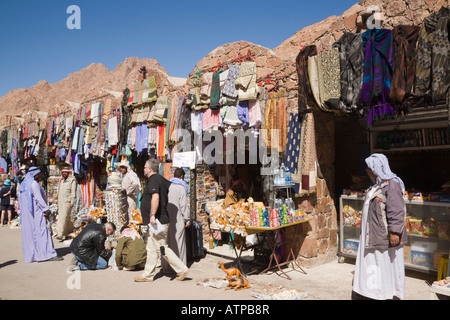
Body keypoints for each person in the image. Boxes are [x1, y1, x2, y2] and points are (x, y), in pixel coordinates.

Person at [352, 153, 407, 300]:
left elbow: (396, 209)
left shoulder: (392, 184)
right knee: (375, 265)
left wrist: (395, 232)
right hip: (374, 234)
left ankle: (387, 293)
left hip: (384, 236)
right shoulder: (378, 185)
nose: (366, 170)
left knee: (385, 264)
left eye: (369, 167)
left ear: (377, 168)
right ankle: (374, 292)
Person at [134, 159, 189, 282]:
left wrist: (152, 215)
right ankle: (147, 275)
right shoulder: (161, 179)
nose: (143, 169)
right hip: (157, 221)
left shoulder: (154, 180)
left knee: (162, 248)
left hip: (158, 221)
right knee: (151, 248)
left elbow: (156, 197)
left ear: (149, 169)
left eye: (144, 167)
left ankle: (182, 269)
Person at [19, 166, 63, 262]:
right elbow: (38, 199)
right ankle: (49, 254)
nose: (39, 175)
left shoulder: (24, 184)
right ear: (34, 174)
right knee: (43, 232)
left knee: (31, 234)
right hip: (36, 213)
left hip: (27, 215)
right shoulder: (33, 184)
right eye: (38, 173)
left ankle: (35, 255)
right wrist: (46, 210)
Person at [162, 168, 190, 273]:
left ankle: (167, 266)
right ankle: (180, 268)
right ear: (182, 177)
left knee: (167, 242)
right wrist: (187, 219)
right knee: (179, 244)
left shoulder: (167, 186)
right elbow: (184, 206)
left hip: (166, 219)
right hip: (177, 219)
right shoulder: (181, 188)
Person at [55, 167, 76, 241]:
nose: (64, 174)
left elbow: (73, 191)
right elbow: (59, 190)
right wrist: (56, 199)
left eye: (65, 172)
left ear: (68, 173)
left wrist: (72, 201)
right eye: (63, 172)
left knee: (63, 217)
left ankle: (60, 234)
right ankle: (70, 229)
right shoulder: (61, 181)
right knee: (64, 217)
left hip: (67, 201)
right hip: (60, 201)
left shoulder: (72, 180)